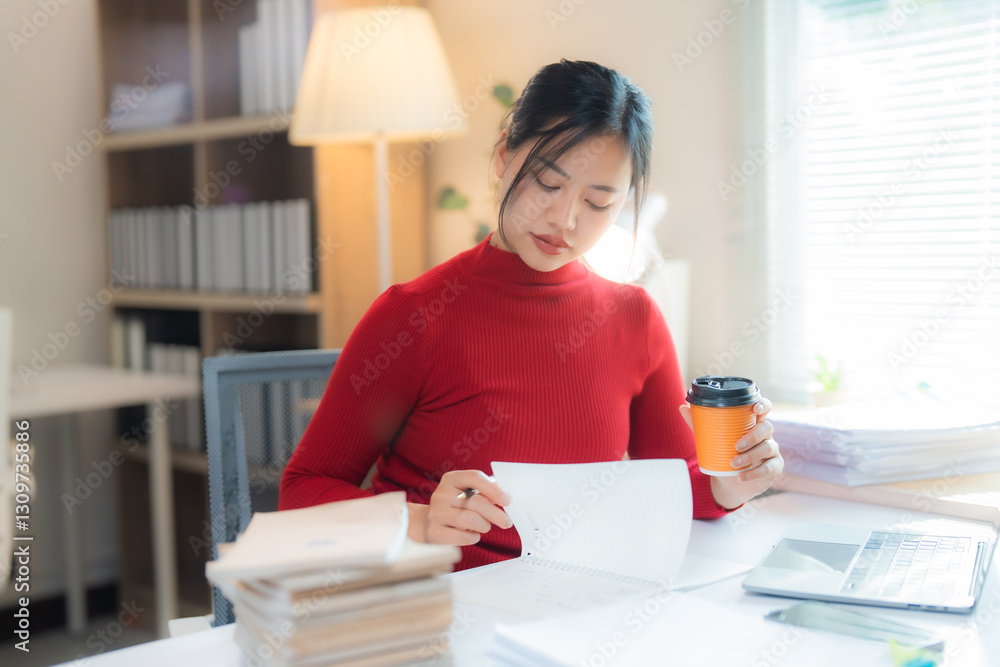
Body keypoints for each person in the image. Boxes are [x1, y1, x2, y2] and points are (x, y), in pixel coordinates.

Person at [279, 59, 783, 570]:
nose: (564, 220)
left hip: (577, 607)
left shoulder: (635, 317)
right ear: (503, 157)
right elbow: (301, 491)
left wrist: (728, 484)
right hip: (444, 608)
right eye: (546, 183)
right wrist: (418, 520)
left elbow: (682, 489)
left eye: (598, 202)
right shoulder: (415, 316)